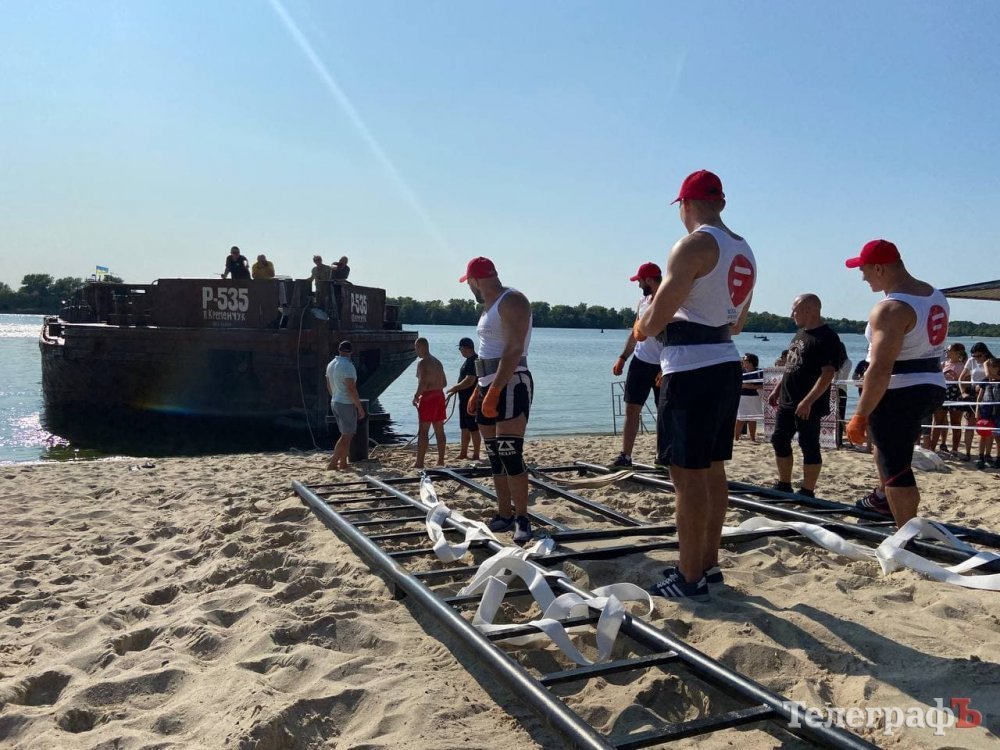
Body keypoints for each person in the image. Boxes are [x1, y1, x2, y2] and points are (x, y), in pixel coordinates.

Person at [637, 169, 756, 599]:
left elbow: (655, 321)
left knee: (686, 479)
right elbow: (737, 324)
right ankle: (708, 563)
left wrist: (642, 323)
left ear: (684, 205)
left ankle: (689, 576)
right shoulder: (744, 250)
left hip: (690, 369)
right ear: (721, 202)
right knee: (713, 470)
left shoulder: (693, 245)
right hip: (724, 362)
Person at [845, 239, 949, 525]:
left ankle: (906, 531)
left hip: (900, 389)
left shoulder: (891, 309)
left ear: (879, 268)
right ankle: (883, 499)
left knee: (896, 465)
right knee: (885, 447)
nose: (863, 277)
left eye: (864, 270)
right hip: (932, 382)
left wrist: (859, 415)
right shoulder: (934, 295)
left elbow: (880, 367)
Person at [460, 256, 534, 544]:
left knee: (510, 453)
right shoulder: (487, 308)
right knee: (495, 455)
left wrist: (493, 392)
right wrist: (479, 390)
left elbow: (514, 349)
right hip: (487, 384)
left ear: (474, 281)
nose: (469, 288)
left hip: (511, 383)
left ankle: (522, 517)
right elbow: (487, 350)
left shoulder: (512, 300)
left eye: (468, 283)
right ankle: (504, 513)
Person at [767, 294, 843, 497]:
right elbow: (791, 365)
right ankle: (784, 484)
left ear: (808, 310)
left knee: (809, 445)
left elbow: (828, 374)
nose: (791, 314)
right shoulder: (800, 333)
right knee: (779, 440)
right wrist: (777, 389)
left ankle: (807, 491)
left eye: (795, 310)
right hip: (788, 400)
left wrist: (808, 401)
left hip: (809, 403)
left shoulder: (826, 337)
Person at [610, 262, 664, 467]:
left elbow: (676, 337)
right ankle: (625, 456)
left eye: (639, 281)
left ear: (649, 280)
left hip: (663, 365)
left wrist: (665, 368)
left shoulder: (669, 300)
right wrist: (623, 357)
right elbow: (636, 332)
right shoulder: (642, 301)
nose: (638, 284)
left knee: (664, 412)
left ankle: (662, 457)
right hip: (640, 362)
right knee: (632, 409)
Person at [325, 341, 365, 471]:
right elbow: (351, 389)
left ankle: (343, 462)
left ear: (339, 350)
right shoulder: (348, 366)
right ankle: (333, 463)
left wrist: (334, 396)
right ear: (351, 352)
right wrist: (359, 407)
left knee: (345, 433)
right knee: (347, 435)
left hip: (335, 401)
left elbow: (328, 385)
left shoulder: (331, 364)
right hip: (345, 403)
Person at [412, 337, 448, 469]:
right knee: (439, 430)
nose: (415, 351)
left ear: (421, 347)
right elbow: (445, 383)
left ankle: (419, 462)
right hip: (439, 395)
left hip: (428, 397)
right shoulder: (437, 362)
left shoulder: (422, 362)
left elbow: (423, 383)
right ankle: (441, 461)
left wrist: (416, 396)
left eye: (416, 348)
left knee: (423, 430)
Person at [446, 337, 481, 461]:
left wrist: (455, 387)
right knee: (464, 427)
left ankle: (476, 454)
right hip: (463, 399)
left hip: (471, 400)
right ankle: (463, 452)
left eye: (460, 348)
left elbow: (470, 380)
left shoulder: (474, 360)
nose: (460, 351)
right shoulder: (468, 360)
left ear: (466, 348)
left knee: (473, 428)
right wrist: (456, 389)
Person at [960, 342, 994, 463]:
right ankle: (968, 453)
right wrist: (963, 392)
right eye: (974, 355)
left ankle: (987, 454)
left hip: (988, 394)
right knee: (970, 424)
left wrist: (983, 383)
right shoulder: (971, 361)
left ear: (985, 353)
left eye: (978, 355)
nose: (976, 358)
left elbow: (992, 376)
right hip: (973, 393)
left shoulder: (991, 361)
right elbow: (961, 378)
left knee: (987, 424)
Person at [974, 357, 1000, 469]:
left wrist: (986, 365)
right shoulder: (985, 380)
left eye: (994, 366)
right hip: (986, 410)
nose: (991, 368)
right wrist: (977, 410)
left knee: (997, 436)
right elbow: (979, 397)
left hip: (998, 412)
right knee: (984, 435)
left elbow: (990, 375)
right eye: (990, 366)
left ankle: (998, 458)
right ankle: (981, 457)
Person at [735, 353, 762, 441]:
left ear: (751, 362)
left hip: (754, 397)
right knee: (740, 418)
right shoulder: (740, 371)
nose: (743, 361)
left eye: (745, 360)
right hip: (742, 397)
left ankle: (752, 438)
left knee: (753, 418)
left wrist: (751, 386)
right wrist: (744, 386)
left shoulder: (759, 372)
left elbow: (763, 385)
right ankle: (736, 438)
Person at [834, 341, 852, 449]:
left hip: (841, 389)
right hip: (830, 389)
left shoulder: (847, 362)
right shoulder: (831, 361)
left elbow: (842, 377)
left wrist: (836, 369)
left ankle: (839, 440)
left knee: (840, 415)